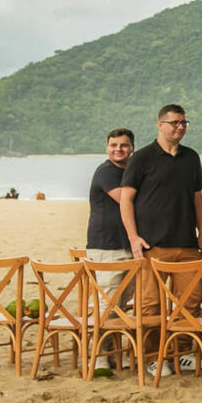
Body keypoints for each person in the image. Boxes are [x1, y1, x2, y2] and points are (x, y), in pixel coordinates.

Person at [115, 105, 202, 346]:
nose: (180, 127)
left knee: (190, 303)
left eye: (183, 123)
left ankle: (184, 352)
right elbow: (126, 199)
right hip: (152, 245)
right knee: (150, 306)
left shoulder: (191, 157)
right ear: (160, 125)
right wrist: (134, 237)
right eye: (175, 122)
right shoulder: (143, 157)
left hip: (187, 245)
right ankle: (152, 357)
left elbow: (197, 198)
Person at [85, 129, 138, 343]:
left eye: (123, 145)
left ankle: (114, 353)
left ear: (132, 148)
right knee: (108, 303)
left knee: (122, 306)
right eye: (114, 145)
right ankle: (100, 357)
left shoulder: (130, 171)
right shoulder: (106, 172)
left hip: (126, 246)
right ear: (107, 147)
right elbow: (127, 201)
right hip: (106, 247)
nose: (118, 149)